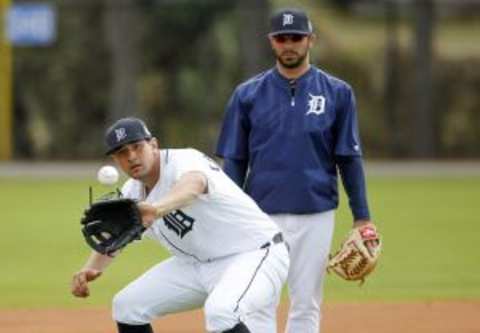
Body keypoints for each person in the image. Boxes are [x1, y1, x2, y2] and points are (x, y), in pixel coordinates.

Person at [216, 8, 379, 333]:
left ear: (310, 40)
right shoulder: (247, 94)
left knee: (306, 302)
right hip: (259, 216)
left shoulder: (338, 93)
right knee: (259, 301)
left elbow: (348, 157)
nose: (288, 44)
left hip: (316, 213)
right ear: (271, 42)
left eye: (296, 37)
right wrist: (225, 215)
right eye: (281, 38)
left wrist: (362, 216)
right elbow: (234, 161)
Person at [71, 117, 290, 333]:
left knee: (221, 313)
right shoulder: (131, 192)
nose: (132, 157)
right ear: (116, 161)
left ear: (154, 145)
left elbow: (193, 185)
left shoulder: (184, 161)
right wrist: (90, 269)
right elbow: (116, 237)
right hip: (198, 265)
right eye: (122, 153)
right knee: (127, 306)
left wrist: (157, 209)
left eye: (137, 147)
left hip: (255, 253)